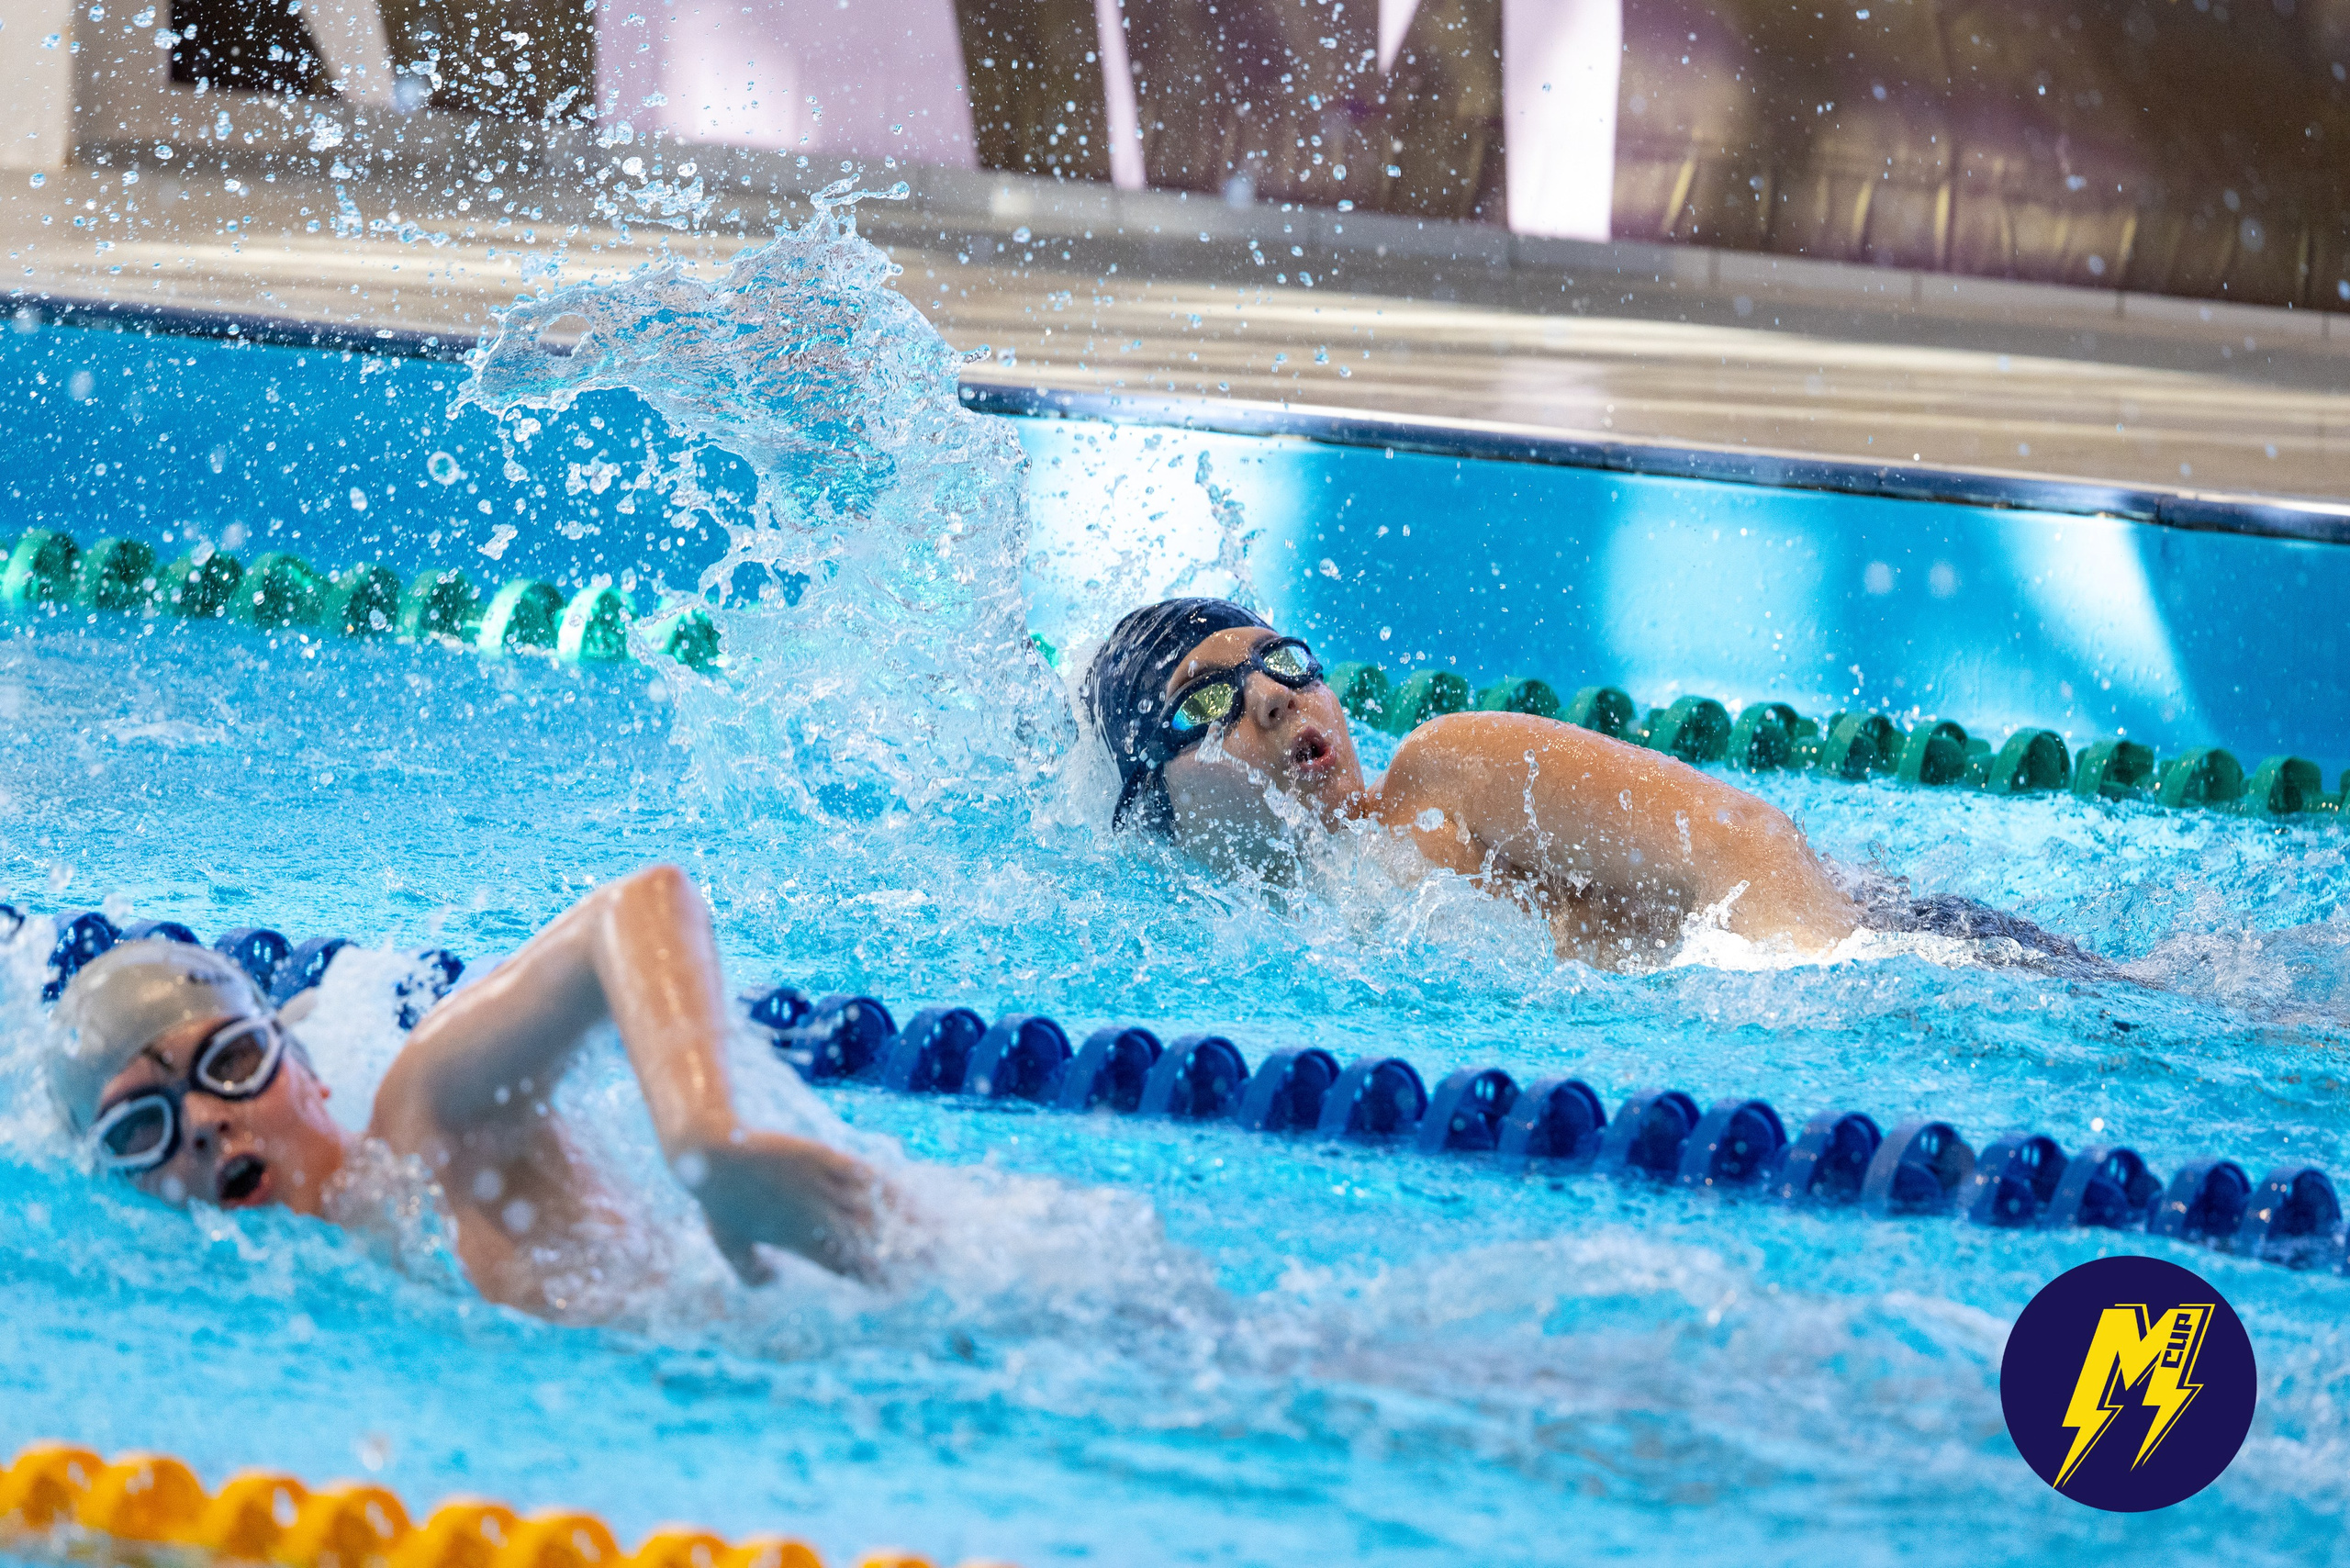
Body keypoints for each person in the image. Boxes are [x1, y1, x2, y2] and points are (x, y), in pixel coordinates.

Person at [1081, 597, 2106, 972]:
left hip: (1925, 953)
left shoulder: (1446, 773)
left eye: (1283, 662)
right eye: (1209, 698)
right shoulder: (1250, 946)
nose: (1270, 697)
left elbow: (1738, 833)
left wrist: (1817, 988)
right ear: (1152, 796)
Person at [48, 865, 886, 1316]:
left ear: (304, 1066)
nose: (201, 1125)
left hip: (896, 1289)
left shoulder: (432, 1115)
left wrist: (705, 1140)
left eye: (230, 1064)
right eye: (138, 1130)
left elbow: (636, 906)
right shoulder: (298, 1298)